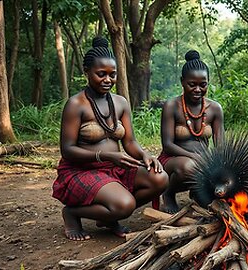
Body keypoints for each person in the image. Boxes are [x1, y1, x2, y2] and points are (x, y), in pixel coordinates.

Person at [52, 37, 169, 241]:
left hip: (114, 168)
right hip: (82, 170)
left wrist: (145, 155)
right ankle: (73, 213)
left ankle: (108, 215)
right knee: (125, 205)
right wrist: (104, 155)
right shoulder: (76, 104)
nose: (108, 80)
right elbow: (67, 150)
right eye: (101, 74)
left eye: (112, 75)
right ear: (86, 71)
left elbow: (130, 142)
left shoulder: (120, 102)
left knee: (160, 178)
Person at [159, 50, 224, 213]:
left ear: (208, 82)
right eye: (192, 84)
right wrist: (194, 157)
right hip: (173, 160)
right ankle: (169, 193)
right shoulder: (172, 106)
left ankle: (197, 190)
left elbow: (220, 146)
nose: (197, 89)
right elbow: (167, 145)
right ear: (182, 82)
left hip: (203, 161)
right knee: (189, 167)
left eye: (203, 85)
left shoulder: (215, 109)